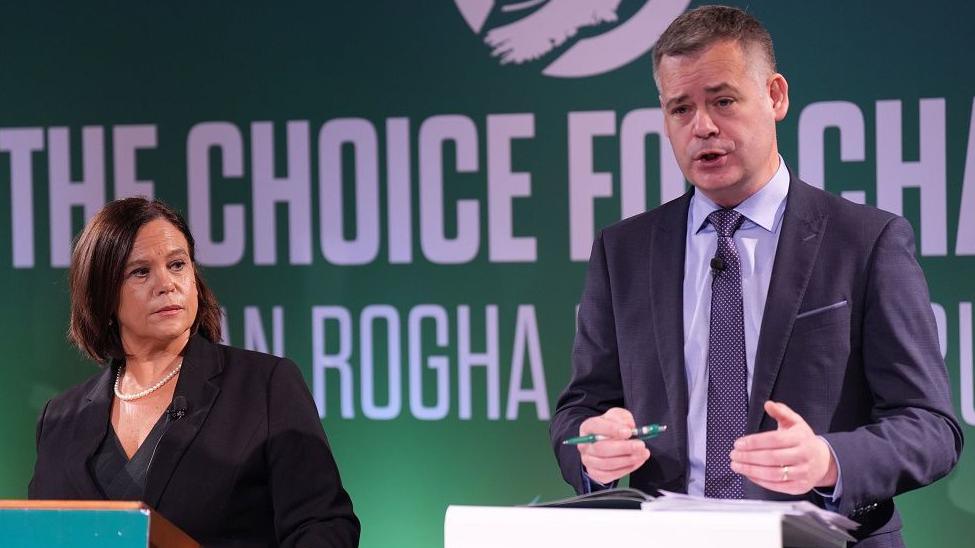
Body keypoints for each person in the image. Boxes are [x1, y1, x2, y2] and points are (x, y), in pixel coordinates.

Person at [550, 5, 962, 546]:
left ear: (775, 96)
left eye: (722, 100)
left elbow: (931, 426)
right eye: (680, 108)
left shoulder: (865, 243)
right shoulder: (622, 251)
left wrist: (830, 461)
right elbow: (580, 409)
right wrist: (591, 446)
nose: (702, 126)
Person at [28, 197, 360, 547]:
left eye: (177, 265)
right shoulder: (60, 419)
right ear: (103, 295)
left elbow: (325, 527)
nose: (167, 284)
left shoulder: (263, 387)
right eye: (141, 272)